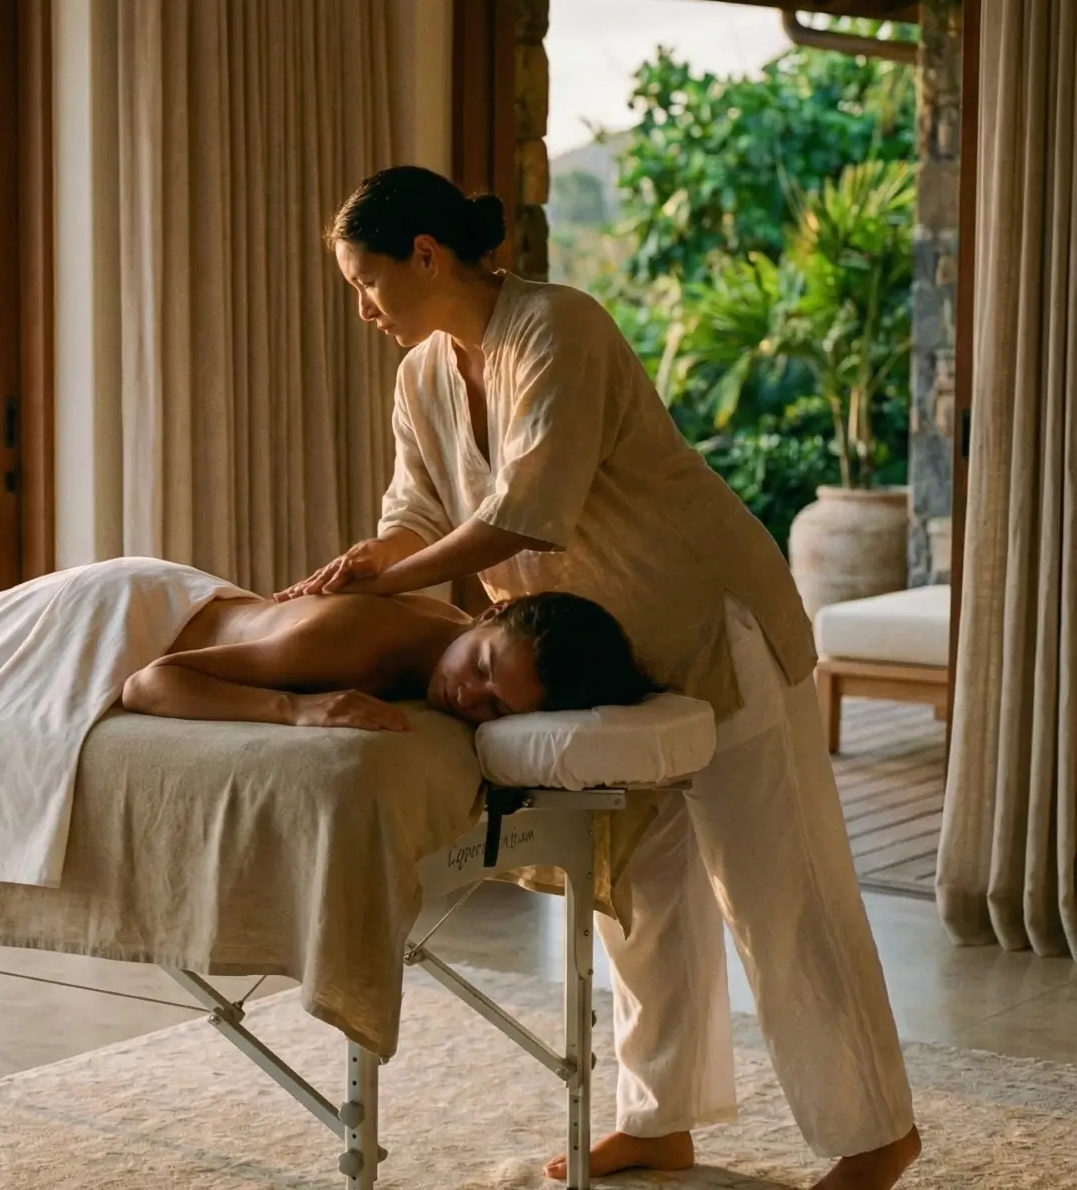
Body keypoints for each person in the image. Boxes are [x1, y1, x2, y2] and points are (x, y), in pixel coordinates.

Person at [279, 166, 920, 1190]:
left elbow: (532, 506)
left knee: (776, 889)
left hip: (712, 624)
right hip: (597, 660)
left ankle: (873, 1134)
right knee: (640, 889)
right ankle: (659, 1118)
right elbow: (416, 509)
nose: (360, 308)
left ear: (427, 256)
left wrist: (393, 572)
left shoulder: (557, 329)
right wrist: (368, 560)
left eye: (365, 282)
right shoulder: (420, 378)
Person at [123, 586, 659, 729]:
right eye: (480, 667)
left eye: (495, 710)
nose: (466, 696)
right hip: (126, 618)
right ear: (494, 610)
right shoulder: (350, 642)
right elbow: (149, 685)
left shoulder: (445, 637)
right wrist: (297, 709)